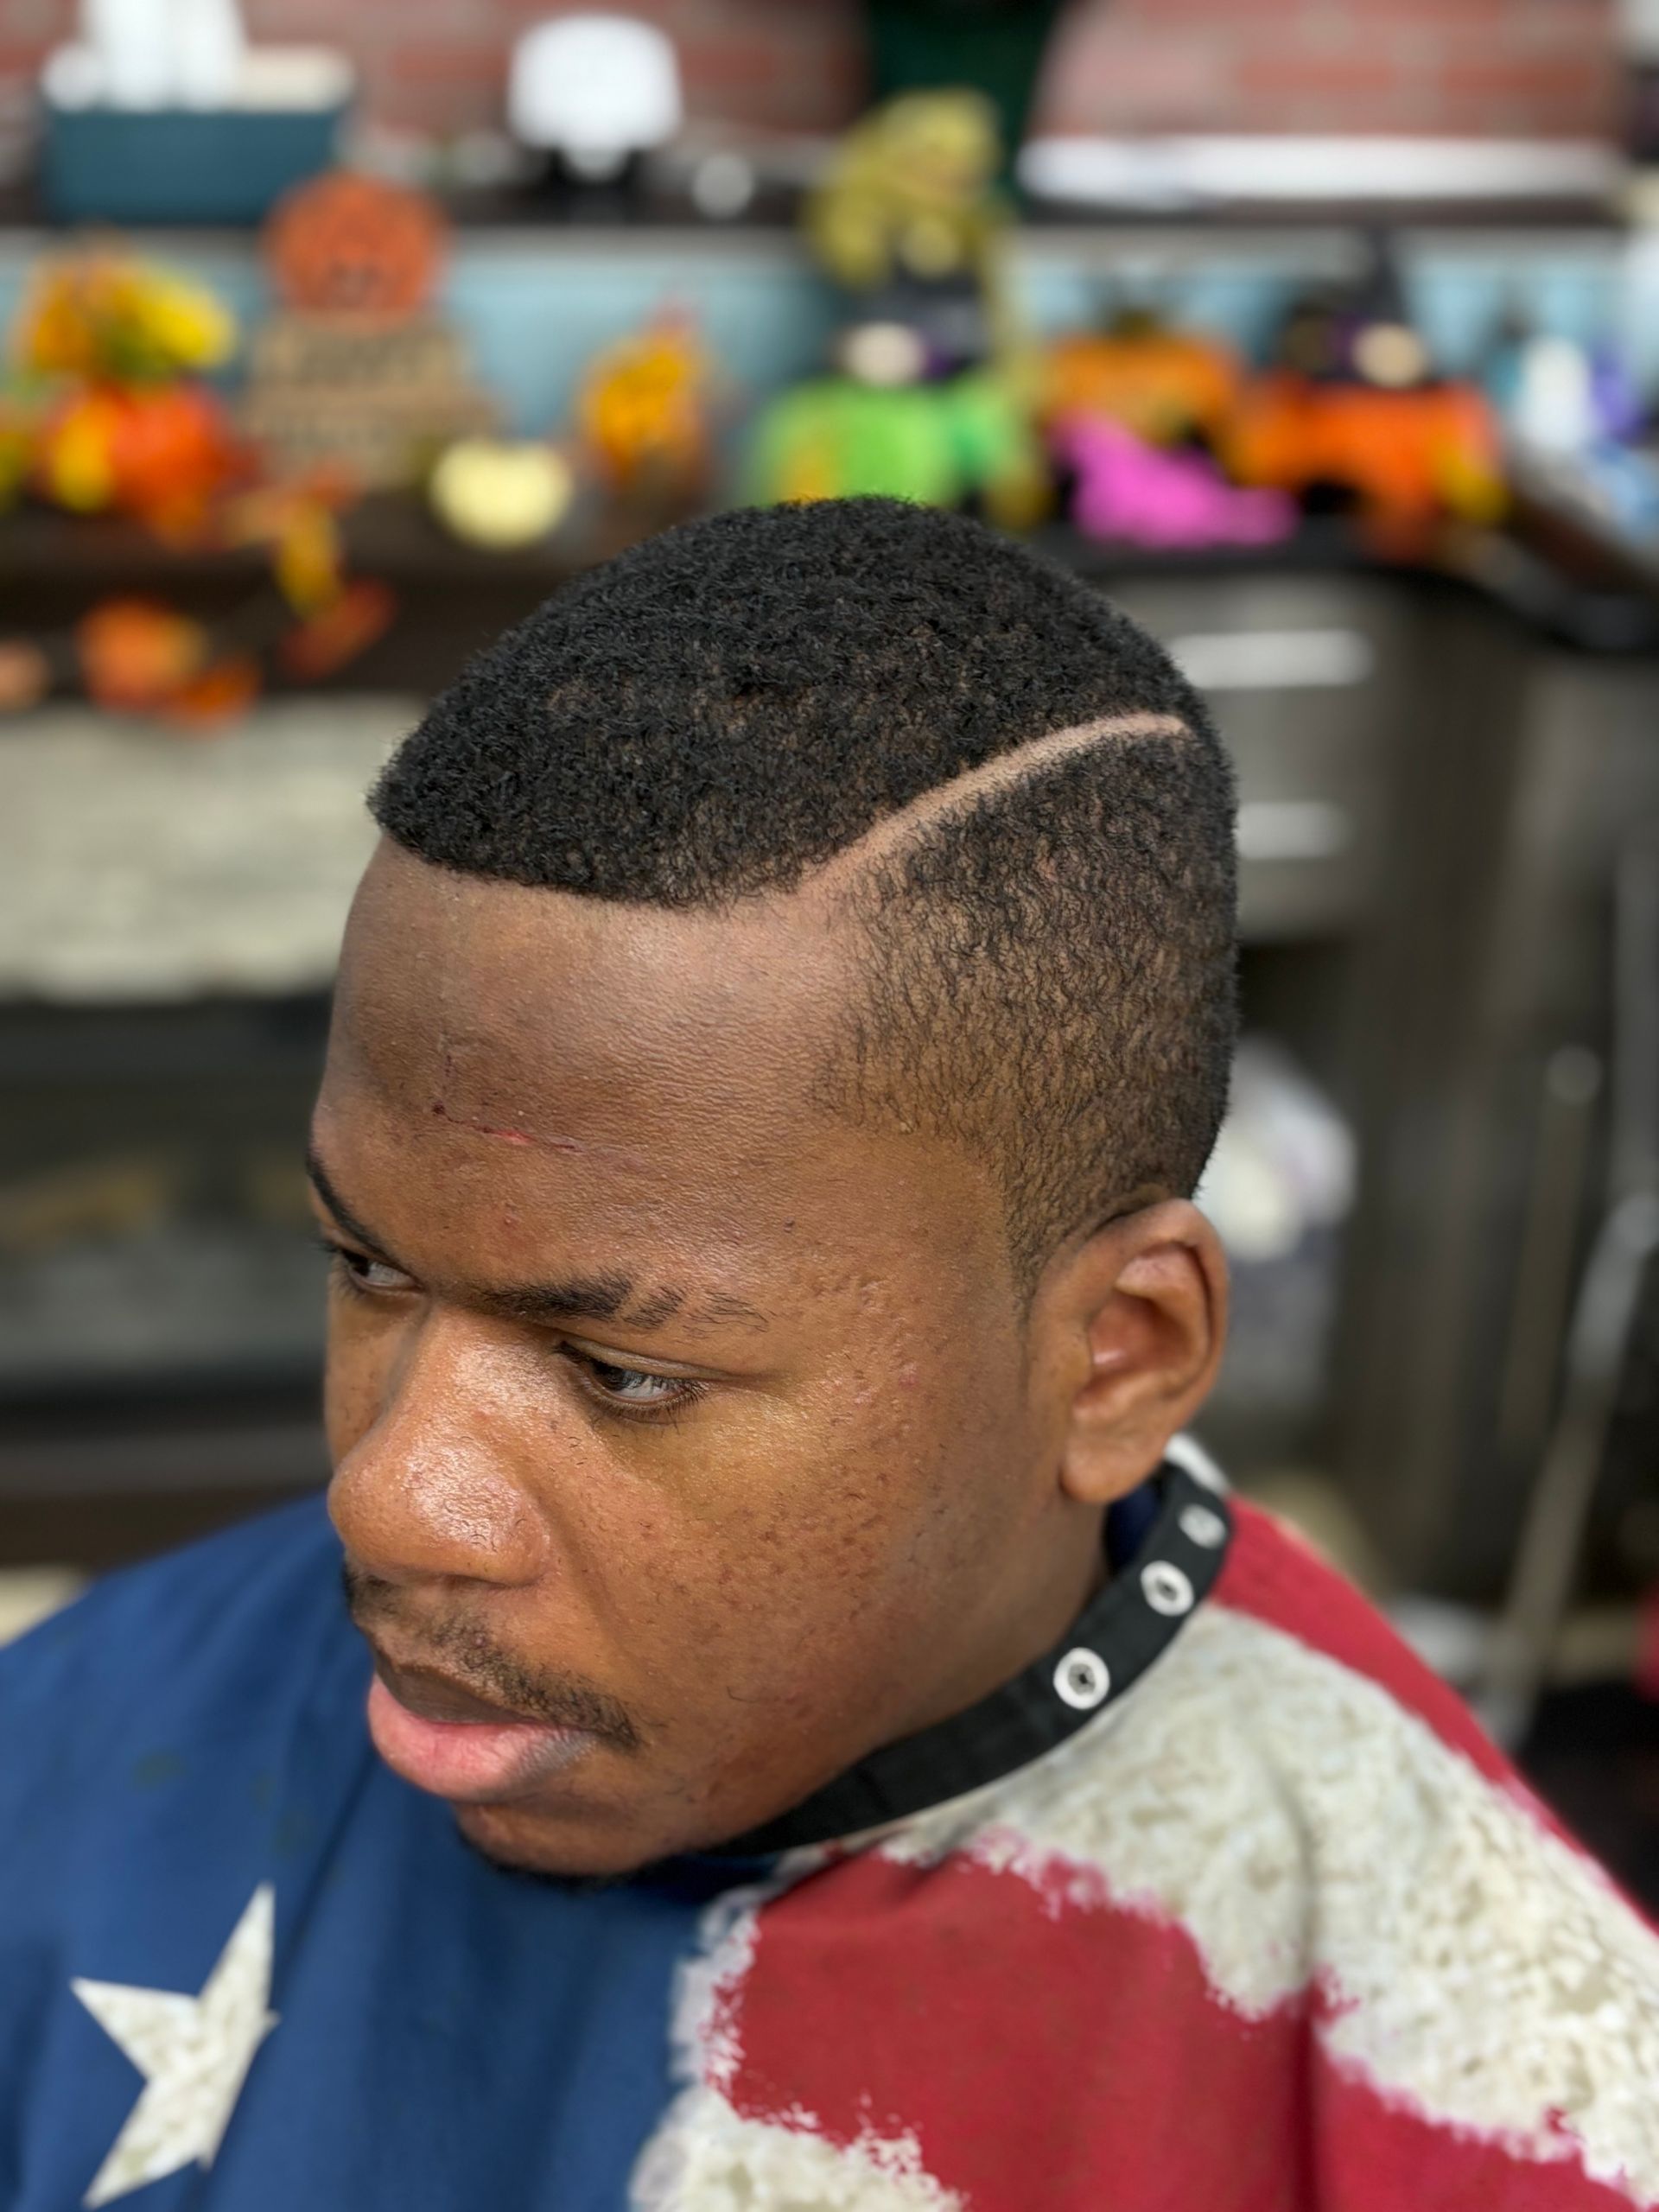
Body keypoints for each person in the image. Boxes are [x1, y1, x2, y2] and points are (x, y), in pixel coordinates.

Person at [3, 499, 1656, 2212]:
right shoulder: (73, 1738)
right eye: (367, 1265)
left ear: (1115, 1357)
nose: (390, 1499)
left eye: (619, 1369)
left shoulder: (1489, 2095)